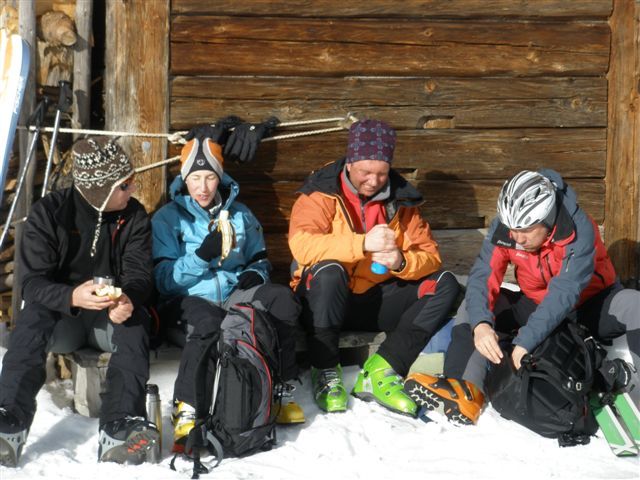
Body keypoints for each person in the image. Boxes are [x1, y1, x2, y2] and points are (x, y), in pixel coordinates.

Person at [405, 169, 640, 425]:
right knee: (473, 309)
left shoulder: (578, 228)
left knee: (634, 304)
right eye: (512, 229)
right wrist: (481, 325)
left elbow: (564, 292)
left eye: (526, 230)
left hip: (589, 305)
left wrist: (525, 341)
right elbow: (483, 276)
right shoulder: (507, 228)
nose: (517, 237)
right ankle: (463, 390)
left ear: (547, 218)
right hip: (535, 304)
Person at [0, 137, 159, 467]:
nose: (132, 189)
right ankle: (8, 421)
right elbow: (31, 284)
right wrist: (71, 296)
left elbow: (139, 273)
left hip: (108, 321)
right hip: (63, 322)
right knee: (34, 316)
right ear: (100, 189)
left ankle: (120, 426)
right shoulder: (49, 213)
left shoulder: (134, 215)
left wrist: (129, 298)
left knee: (137, 319)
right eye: (124, 185)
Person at [288, 119, 461, 417]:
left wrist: (401, 262)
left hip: (374, 299)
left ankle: (384, 369)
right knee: (329, 271)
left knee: (445, 283)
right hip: (321, 301)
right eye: (365, 172)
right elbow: (302, 246)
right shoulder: (320, 192)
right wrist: (362, 244)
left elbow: (430, 255)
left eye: (381, 173)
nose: (373, 181)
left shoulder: (401, 201)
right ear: (350, 163)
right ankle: (325, 369)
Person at [151, 124, 303, 454]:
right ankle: (187, 408)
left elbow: (260, 259)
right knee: (208, 322)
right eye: (195, 178)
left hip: (234, 294)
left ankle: (280, 387)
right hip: (187, 299)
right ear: (184, 178)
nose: (202, 187)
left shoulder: (240, 215)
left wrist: (254, 275)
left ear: (219, 176)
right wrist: (200, 256)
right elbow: (163, 279)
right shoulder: (168, 219)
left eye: (209, 177)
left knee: (281, 299)